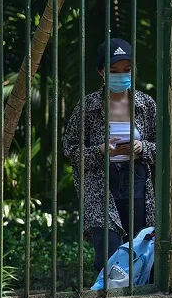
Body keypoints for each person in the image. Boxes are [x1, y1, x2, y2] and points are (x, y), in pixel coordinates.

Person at [63, 38, 157, 272]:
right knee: (108, 251)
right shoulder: (88, 107)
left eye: (126, 70)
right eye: (114, 71)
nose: (121, 76)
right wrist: (101, 150)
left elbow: (163, 146)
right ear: (101, 72)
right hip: (99, 184)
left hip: (137, 181)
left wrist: (141, 147)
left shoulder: (146, 105)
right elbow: (70, 149)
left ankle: (136, 297)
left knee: (138, 248)